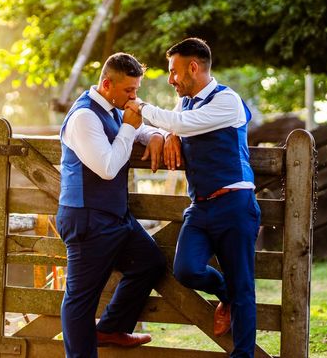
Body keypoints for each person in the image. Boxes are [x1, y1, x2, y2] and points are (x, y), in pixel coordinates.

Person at [127, 37, 260, 358]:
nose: (171, 79)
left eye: (173, 71)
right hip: (200, 208)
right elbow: (178, 125)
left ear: (194, 67)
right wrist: (166, 135)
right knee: (186, 270)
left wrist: (144, 108)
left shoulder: (226, 100)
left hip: (234, 204)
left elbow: (183, 124)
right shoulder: (184, 103)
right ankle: (224, 293)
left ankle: (242, 354)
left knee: (244, 285)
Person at [57, 52, 167, 358]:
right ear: (107, 84)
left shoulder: (114, 108)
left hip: (116, 219)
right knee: (81, 300)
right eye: (129, 91)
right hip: (87, 219)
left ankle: (111, 329)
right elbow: (107, 167)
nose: (135, 97)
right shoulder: (83, 117)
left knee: (150, 263)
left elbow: (134, 128)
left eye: (136, 90)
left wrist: (155, 133)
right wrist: (132, 129)